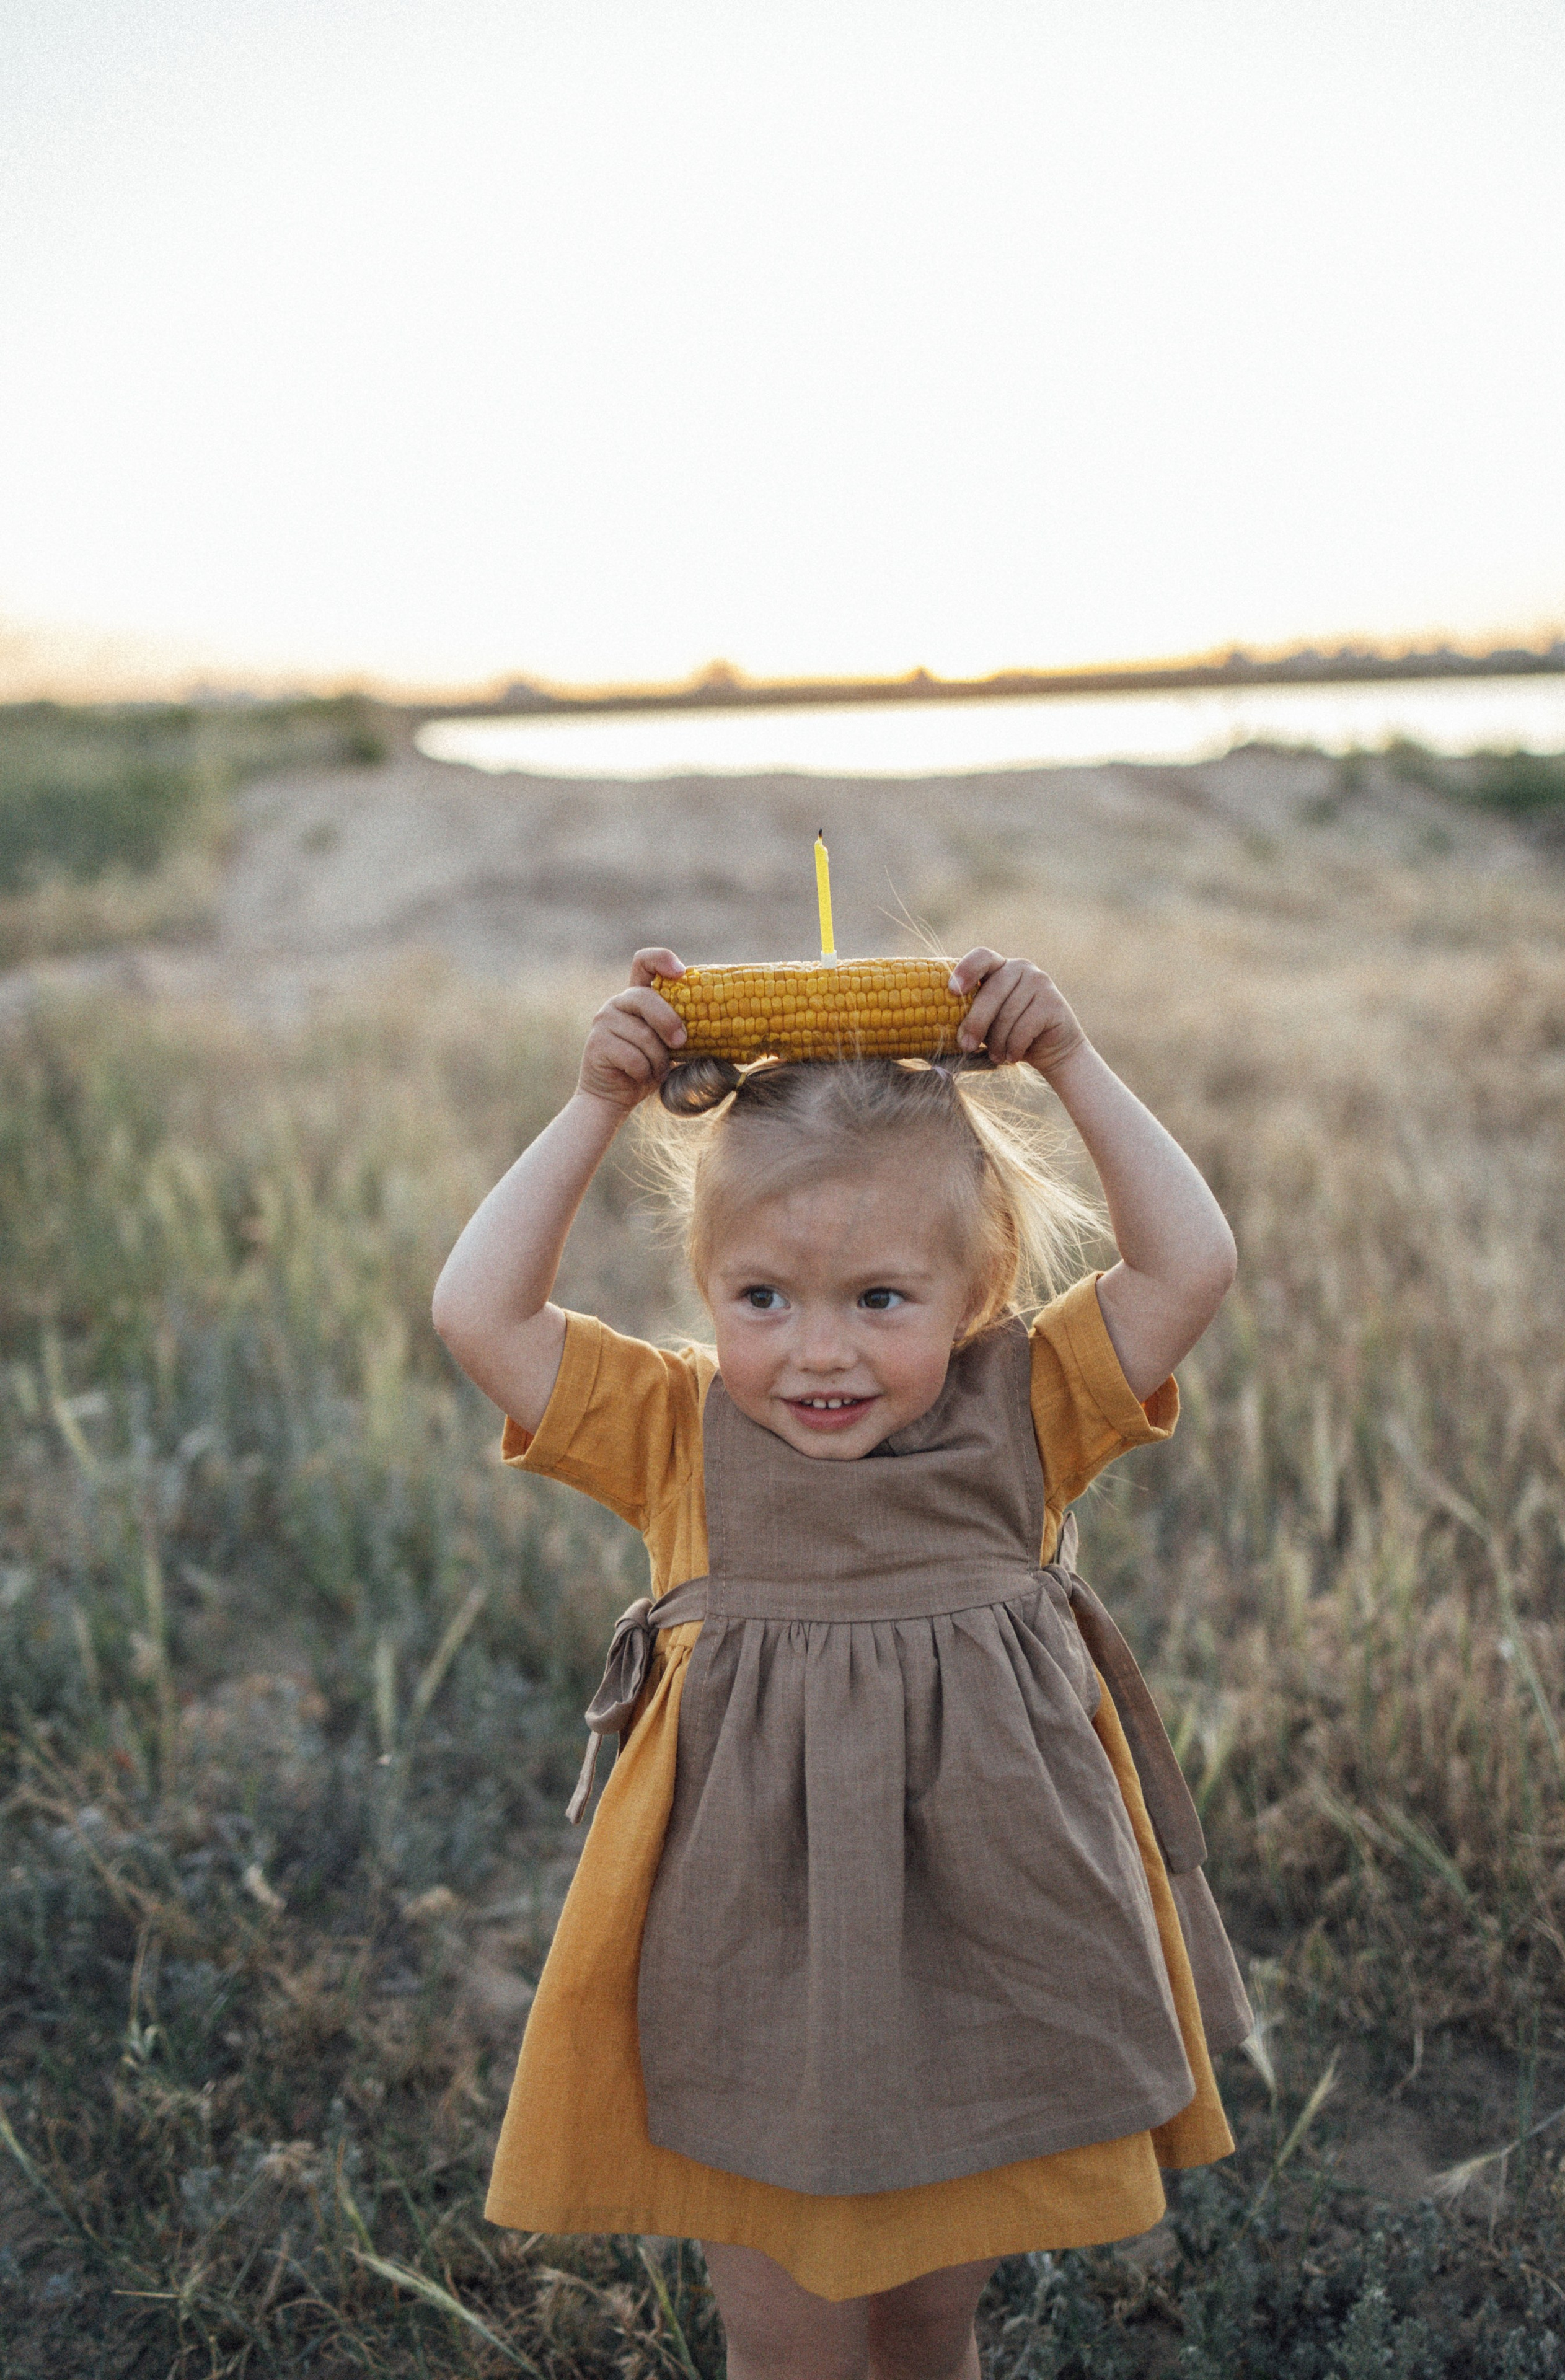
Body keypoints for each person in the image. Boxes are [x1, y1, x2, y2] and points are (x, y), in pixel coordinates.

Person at [432, 945, 1251, 2380]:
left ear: (977, 1290)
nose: (818, 1353)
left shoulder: (1027, 1410)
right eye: (762, 1298)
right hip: (750, 1977)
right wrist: (591, 1109)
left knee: (932, 2331)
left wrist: (1067, 1058)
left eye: (880, 1299)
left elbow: (1189, 1263)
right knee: (792, 2344)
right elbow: (479, 1315)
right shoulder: (676, 1432)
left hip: (975, 1970)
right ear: (704, 1285)